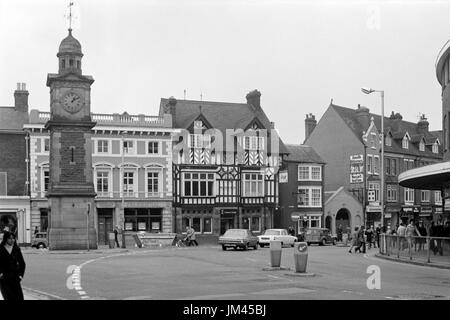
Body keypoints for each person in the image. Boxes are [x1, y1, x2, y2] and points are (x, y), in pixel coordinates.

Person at [0, 231, 26, 300]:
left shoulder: (16, 249)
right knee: (8, 298)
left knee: (19, 298)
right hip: (4, 279)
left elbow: (22, 263)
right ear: (5, 239)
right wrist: (0, 274)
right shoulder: (1, 249)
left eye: (13, 238)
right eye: (10, 238)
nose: (12, 240)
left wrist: (20, 275)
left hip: (15, 278)